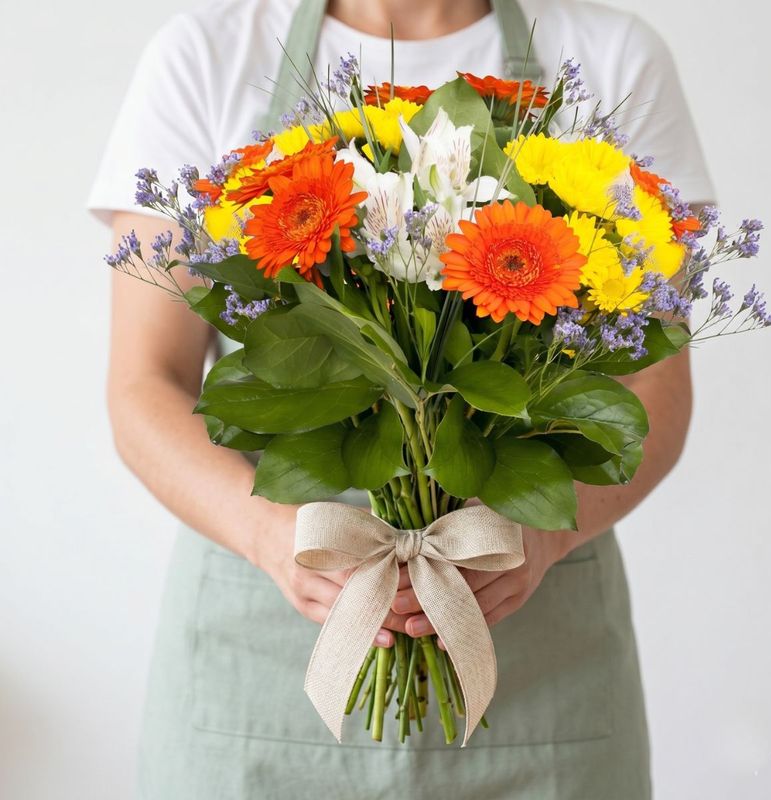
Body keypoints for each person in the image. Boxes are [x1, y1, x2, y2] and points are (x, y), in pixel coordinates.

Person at [87, 1, 715, 797]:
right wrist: (276, 536)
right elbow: (145, 383)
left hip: (539, 659)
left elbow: (654, 379)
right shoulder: (207, 52)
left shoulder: (613, 54)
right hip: (266, 663)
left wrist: (545, 540)